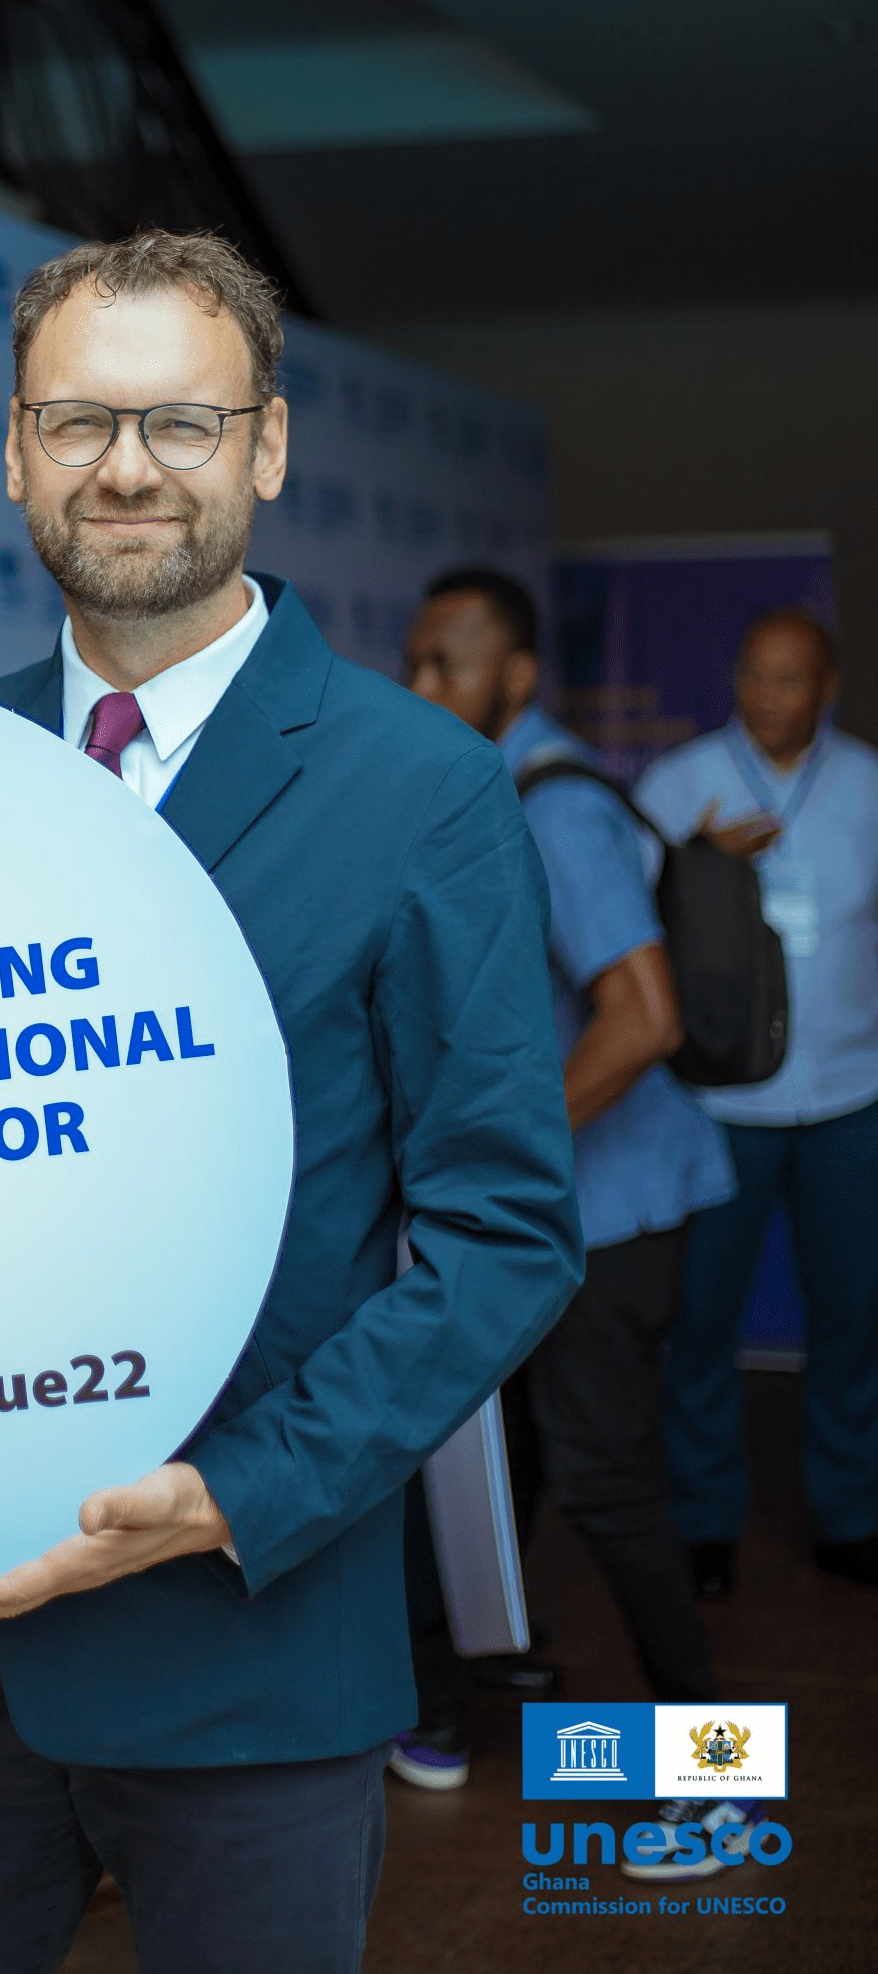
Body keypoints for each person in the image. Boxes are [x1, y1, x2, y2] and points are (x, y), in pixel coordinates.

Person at [0, 231, 580, 1974]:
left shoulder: (422, 791)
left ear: (264, 447)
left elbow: (502, 1239)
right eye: (76, 421)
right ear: (13, 452)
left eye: (179, 423)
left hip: (245, 1655)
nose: (124, 467)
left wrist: (224, 1498)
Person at [403, 572, 737, 1845]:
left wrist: (497, 1154)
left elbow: (642, 1017)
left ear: (518, 676)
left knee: (607, 1480)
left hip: (611, 1214)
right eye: (414, 663)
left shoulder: (551, 806)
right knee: (499, 1458)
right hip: (565, 1212)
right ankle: (455, 1694)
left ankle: (713, 1770)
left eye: (446, 665)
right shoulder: (500, 787)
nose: (421, 687)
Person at [637, 607, 878, 1595]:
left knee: (851, 1320)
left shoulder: (866, 784)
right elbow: (620, 928)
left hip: (851, 1098)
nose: (765, 694)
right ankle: (704, 1521)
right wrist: (694, 863)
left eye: (788, 678)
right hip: (720, 1105)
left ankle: (850, 1516)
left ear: (827, 689)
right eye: (751, 674)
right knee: (702, 1322)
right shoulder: (675, 783)